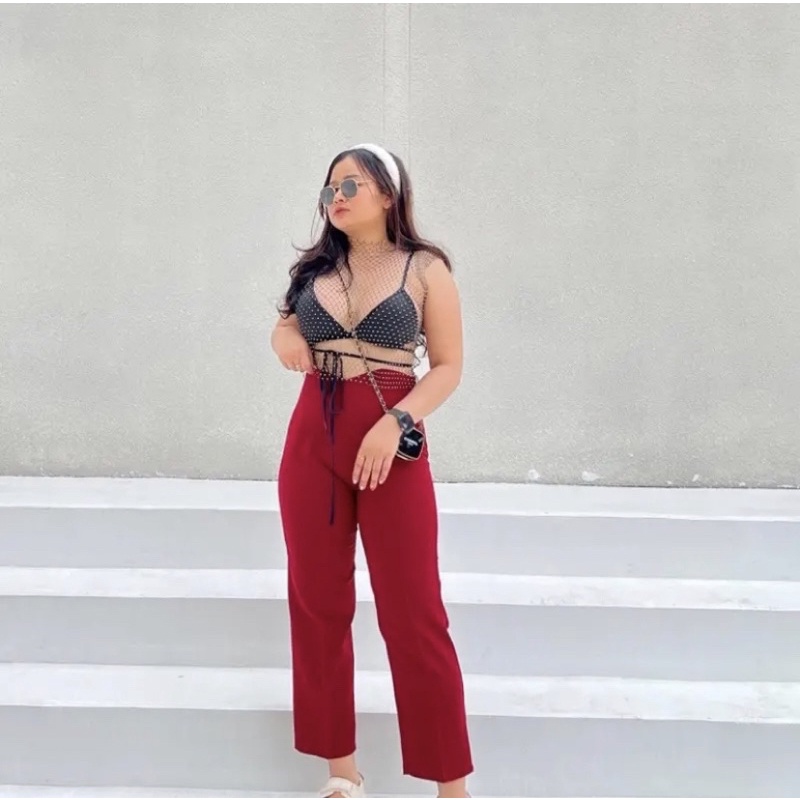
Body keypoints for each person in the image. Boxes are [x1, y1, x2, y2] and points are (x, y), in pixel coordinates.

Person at [270, 143, 473, 799]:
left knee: (414, 610)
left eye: (352, 184)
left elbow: (447, 367)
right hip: (313, 437)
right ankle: (342, 772)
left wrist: (398, 421)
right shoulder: (314, 270)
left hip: (390, 436)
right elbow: (283, 327)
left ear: (388, 193)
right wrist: (288, 338)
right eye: (330, 188)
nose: (338, 196)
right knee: (317, 602)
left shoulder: (425, 269)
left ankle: (451, 786)